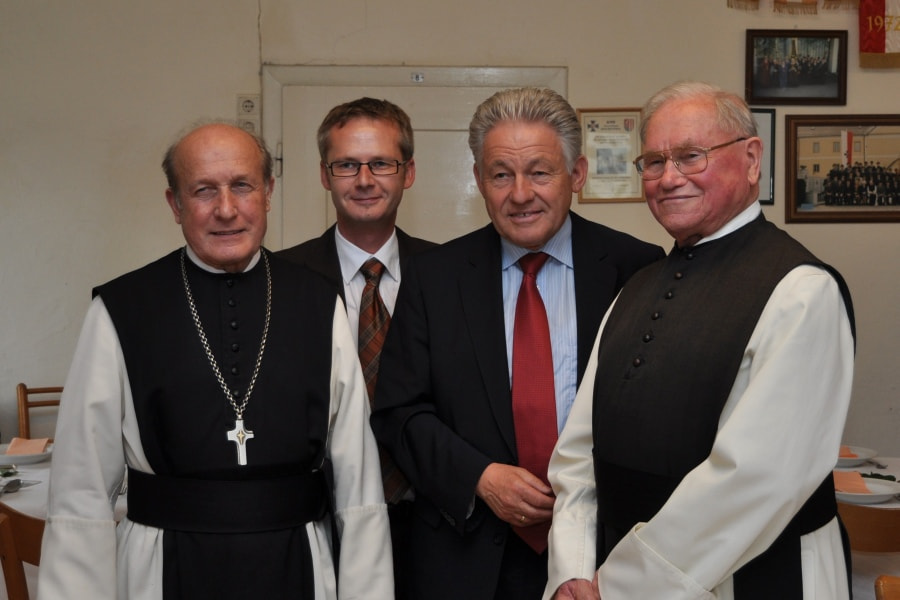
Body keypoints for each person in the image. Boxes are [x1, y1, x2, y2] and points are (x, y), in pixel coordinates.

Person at [38, 122, 393, 600]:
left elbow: (359, 483)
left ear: (268, 193)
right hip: (161, 570)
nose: (226, 210)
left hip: (298, 565)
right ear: (175, 204)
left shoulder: (317, 302)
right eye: (203, 190)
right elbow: (80, 491)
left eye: (242, 186)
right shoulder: (121, 309)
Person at [544, 81, 856, 600]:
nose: (668, 179)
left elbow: (755, 480)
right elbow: (579, 451)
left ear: (751, 159)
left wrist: (616, 586)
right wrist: (573, 569)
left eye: (691, 156)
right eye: (654, 162)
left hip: (752, 578)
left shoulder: (802, 291)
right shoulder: (636, 287)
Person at [369, 87, 664, 600]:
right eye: (501, 174)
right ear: (479, 180)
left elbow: (656, 414)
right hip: (467, 558)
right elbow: (400, 411)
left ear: (577, 174)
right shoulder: (434, 278)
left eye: (540, 172)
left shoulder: (636, 269)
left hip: (604, 557)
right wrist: (479, 477)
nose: (521, 194)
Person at [278, 97, 436, 599]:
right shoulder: (280, 281)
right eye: (346, 165)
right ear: (325, 176)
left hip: (434, 525)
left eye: (381, 163)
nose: (364, 180)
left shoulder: (449, 274)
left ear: (408, 172)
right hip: (319, 522)